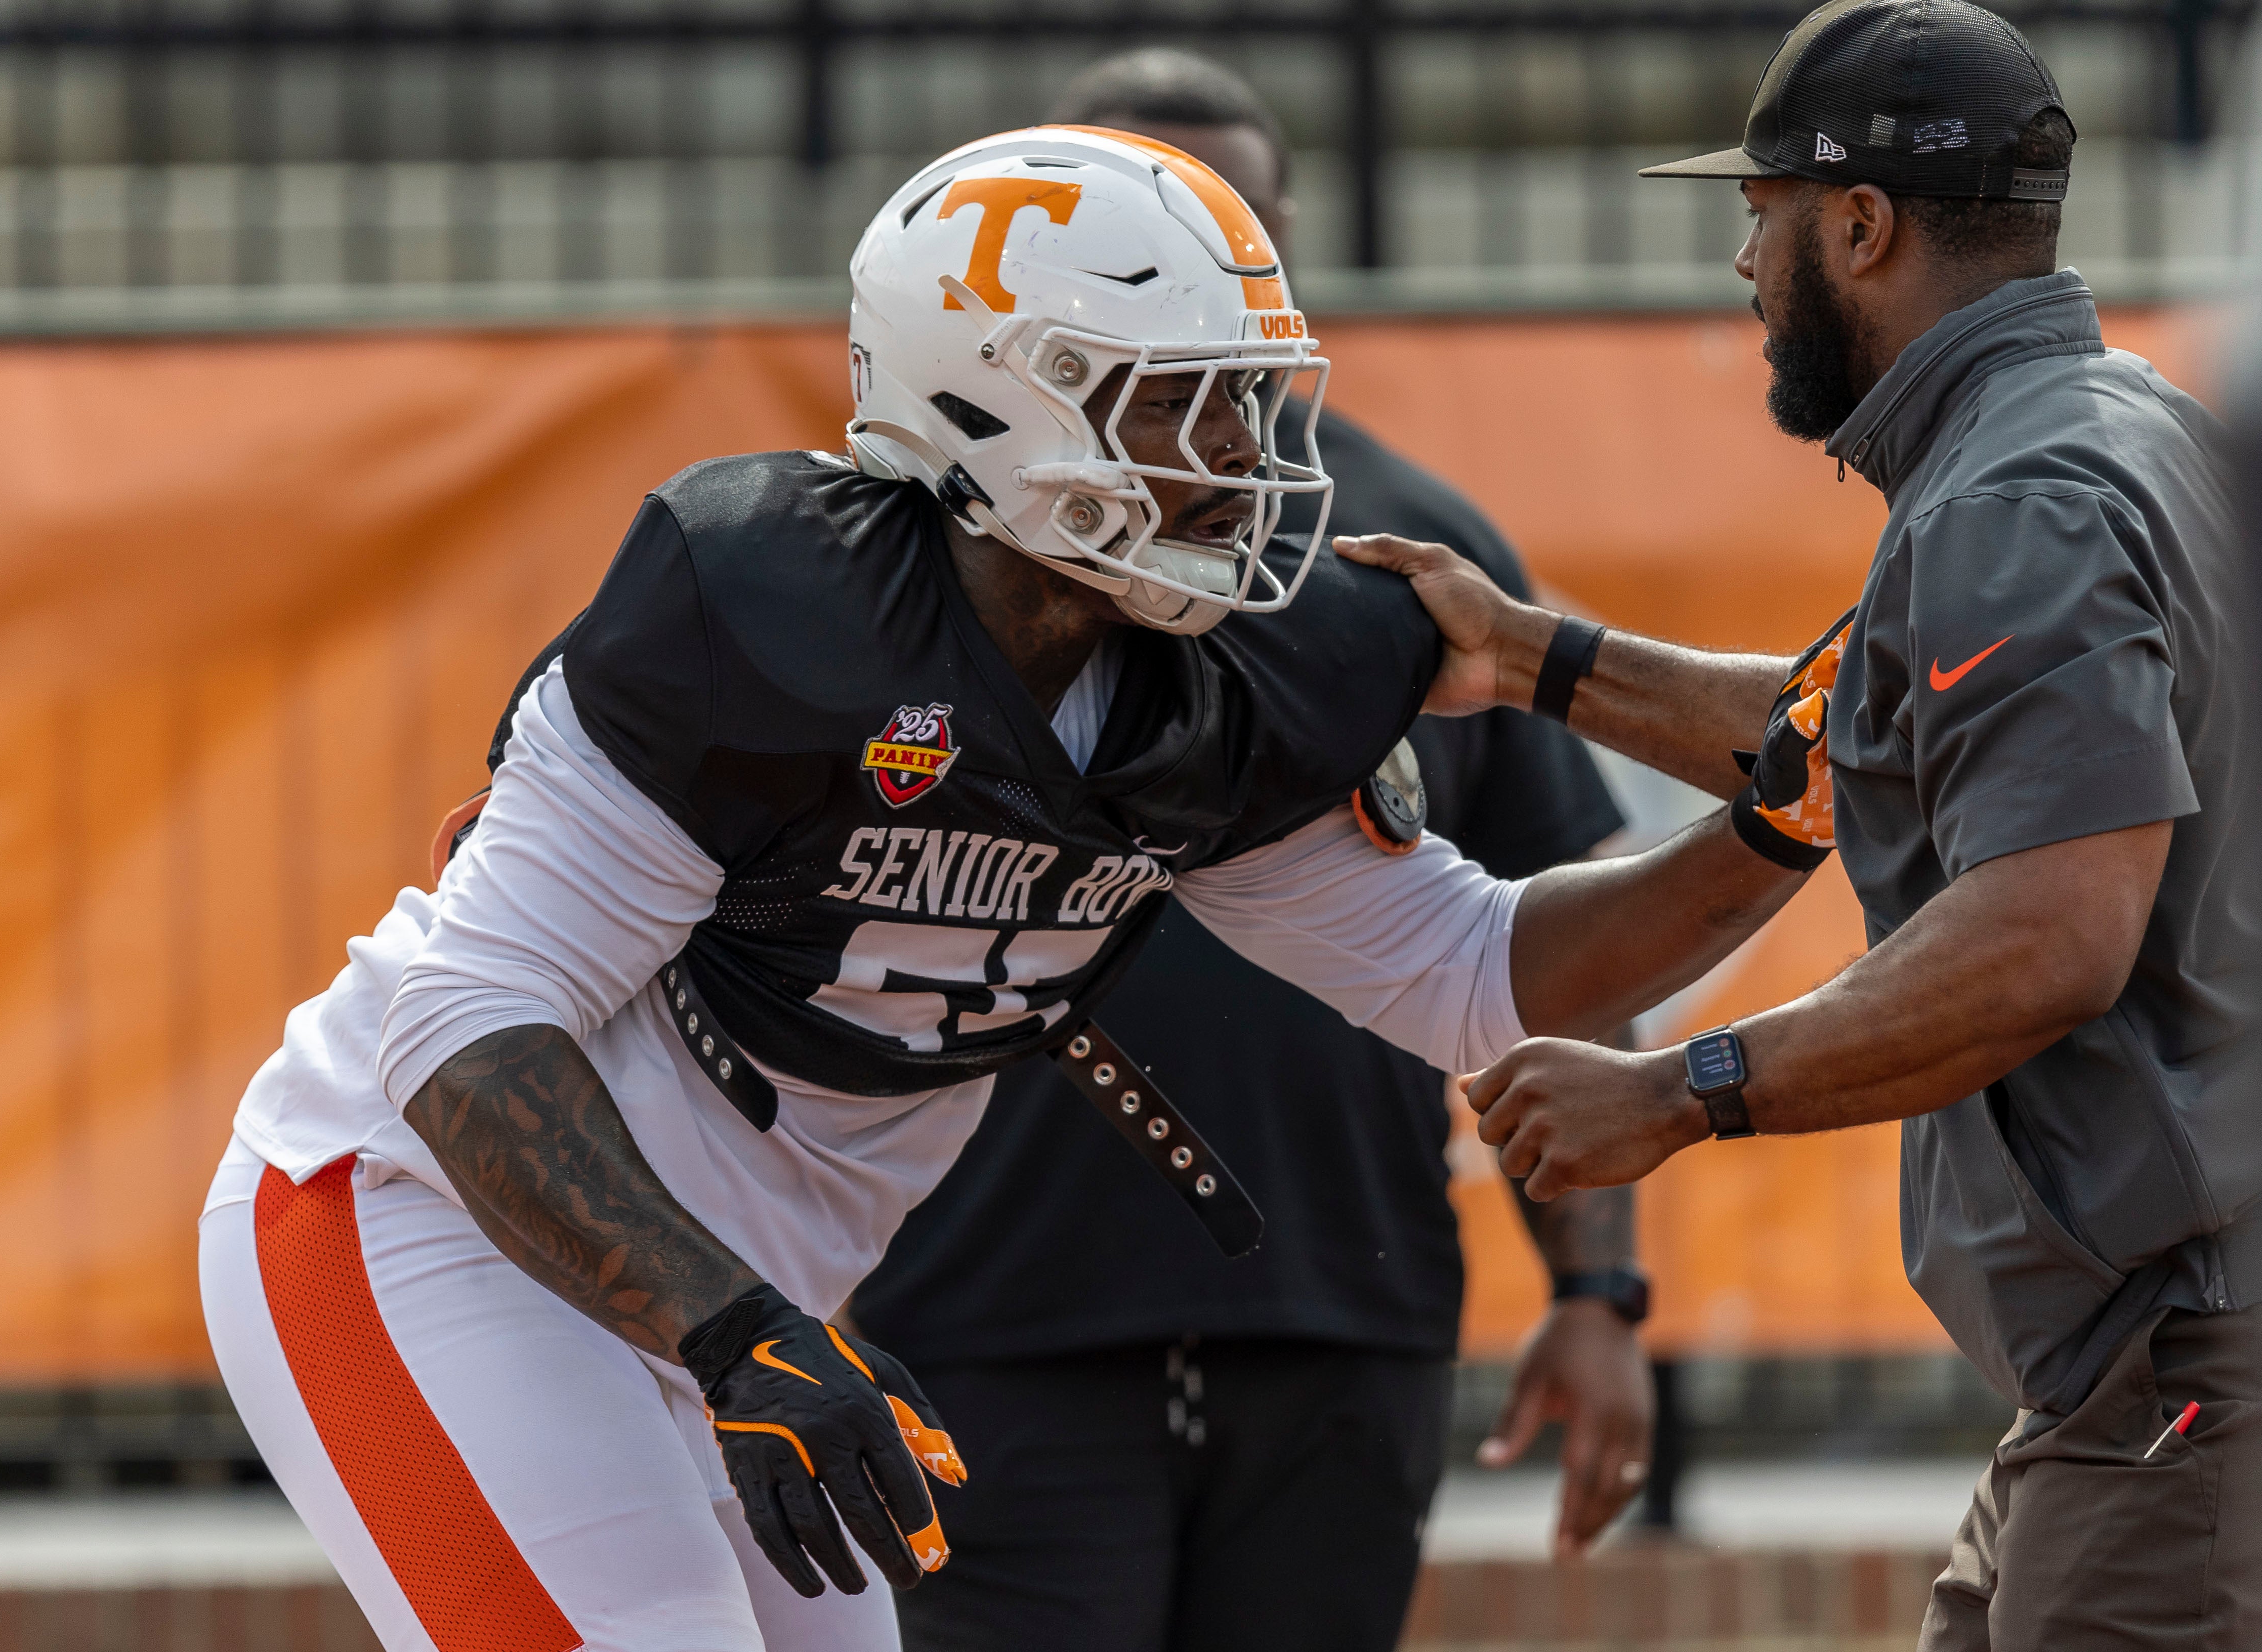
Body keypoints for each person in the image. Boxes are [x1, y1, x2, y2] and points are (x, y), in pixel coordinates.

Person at [198, 124, 1823, 1651]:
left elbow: (1486, 971)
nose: (1241, 458)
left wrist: (1768, 827)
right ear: (1001, 405)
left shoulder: (1211, 690)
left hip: (745, 1313)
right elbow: (464, 1028)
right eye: (1185, 404)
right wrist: (731, 1328)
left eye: (1251, 403)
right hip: (423, 1216)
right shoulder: (766, 606)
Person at [1342, 2, 2258, 1643]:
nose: (1742, 266)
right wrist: (1529, 655)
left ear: (1860, 225)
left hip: (2182, 1371)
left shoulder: (2017, 500)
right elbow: (1868, 726)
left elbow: (2050, 932)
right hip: (2139, 1371)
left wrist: (1681, 1090)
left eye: (1758, 216)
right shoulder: (2118, 426)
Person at [853, 51, 1648, 1652]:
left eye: (1232, 229)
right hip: (993, 1308)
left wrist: (1596, 1293)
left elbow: (1543, 950)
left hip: (1335, 1310)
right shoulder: (911, 558)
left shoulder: (1408, 566)